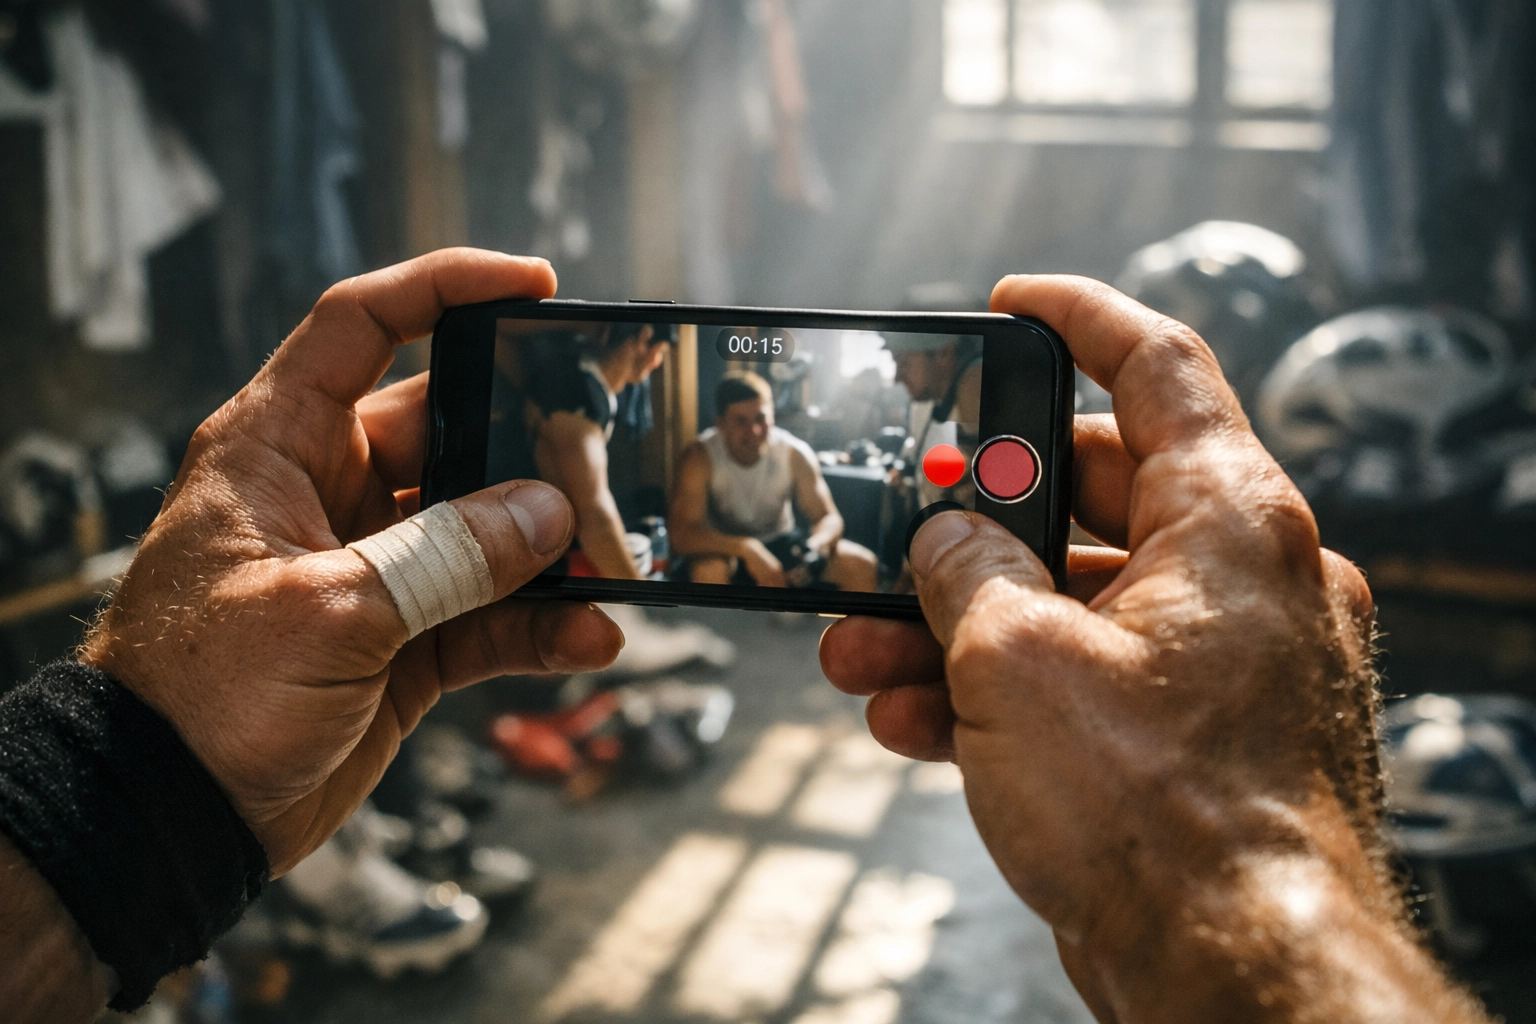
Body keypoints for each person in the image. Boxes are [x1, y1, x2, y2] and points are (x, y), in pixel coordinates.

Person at [0, 249, 1494, 1024]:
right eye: (731, 406)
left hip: (778, 546)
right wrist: (1233, 867)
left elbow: (797, 537)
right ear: (712, 408)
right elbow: (711, 538)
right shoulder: (701, 452)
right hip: (703, 546)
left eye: (759, 408)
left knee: (854, 566)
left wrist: (125, 804)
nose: (746, 417)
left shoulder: (777, 453)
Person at [487, 320, 674, 580]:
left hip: (531, 533)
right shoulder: (581, 399)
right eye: (661, 352)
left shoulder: (577, 375)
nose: (657, 362)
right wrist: (639, 592)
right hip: (514, 544)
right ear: (644, 339)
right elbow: (595, 522)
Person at [669, 372, 879, 592]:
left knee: (862, 565)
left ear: (772, 417)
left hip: (781, 541)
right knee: (708, 571)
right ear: (720, 424)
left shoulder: (794, 453)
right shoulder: (699, 457)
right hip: (723, 547)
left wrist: (813, 549)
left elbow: (829, 517)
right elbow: (680, 534)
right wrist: (746, 548)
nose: (755, 431)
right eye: (741, 421)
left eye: (761, 418)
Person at [887, 331, 982, 509]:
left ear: (943, 354)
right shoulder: (921, 403)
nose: (897, 377)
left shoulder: (974, 382)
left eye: (904, 362)